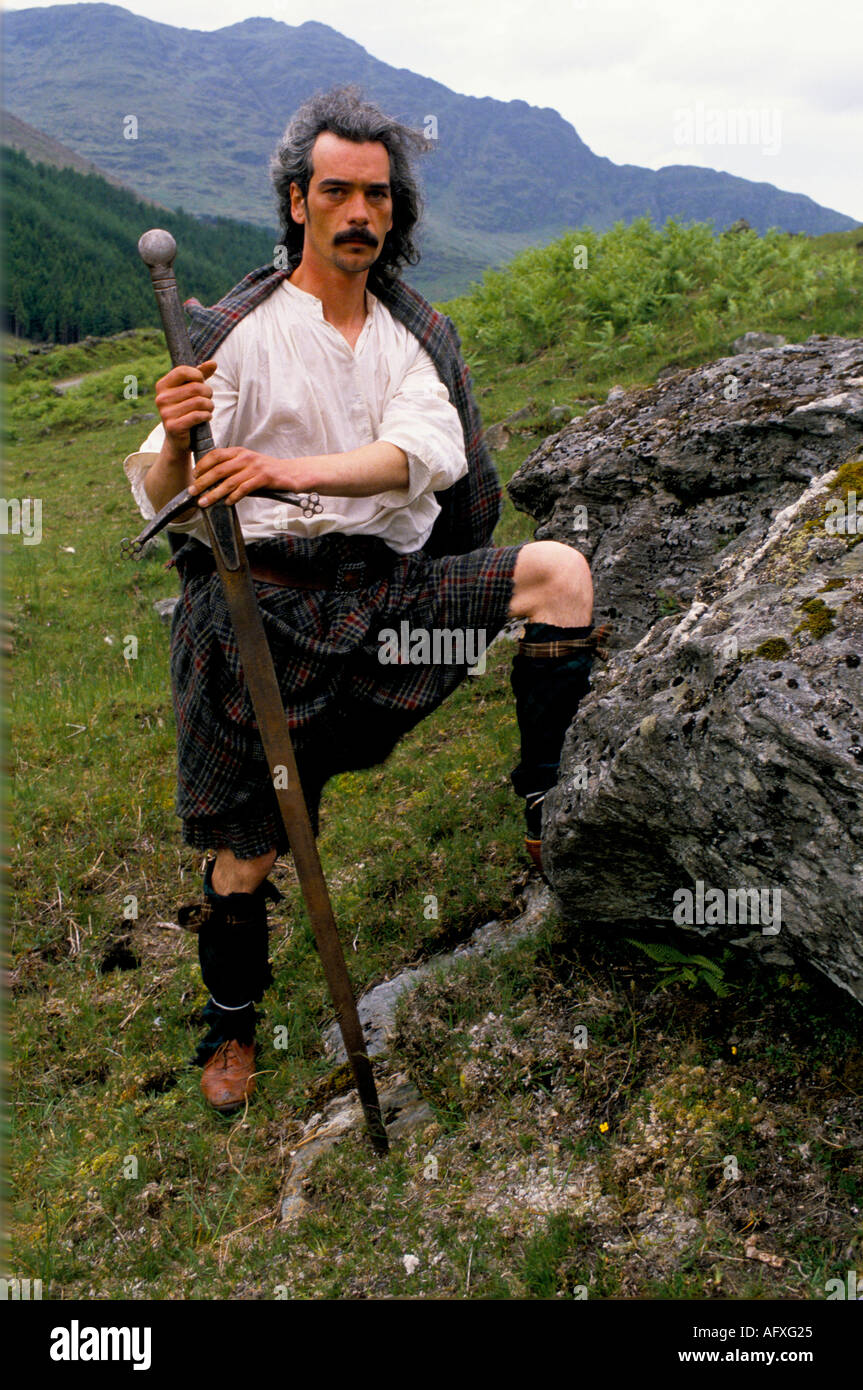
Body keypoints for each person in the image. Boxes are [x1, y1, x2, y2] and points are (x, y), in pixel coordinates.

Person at [124, 85, 600, 1114]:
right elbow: (159, 495)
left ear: (394, 210)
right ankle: (232, 1028)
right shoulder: (231, 334)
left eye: (375, 196)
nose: (358, 213)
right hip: (255, 613)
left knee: (556, 573)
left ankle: (544, 814)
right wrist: (175, 438)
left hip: (383, 603)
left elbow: (423, 456)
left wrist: (286, 475)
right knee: (248, 851)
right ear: (296, 201)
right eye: (334, 191)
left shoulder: (409, 333)